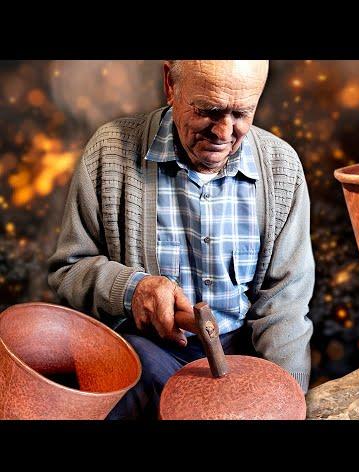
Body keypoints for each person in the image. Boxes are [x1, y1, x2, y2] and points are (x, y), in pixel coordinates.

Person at [47, 60, 314, 419]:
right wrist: (132, 289)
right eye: (208, 110)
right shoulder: (110, 152)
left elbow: (285, 308)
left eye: (241, 113)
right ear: (170, 84)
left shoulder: (282, 168)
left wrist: (286, 396)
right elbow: (69, 271)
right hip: (146, 353)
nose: (223, 132)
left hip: (243, 358)